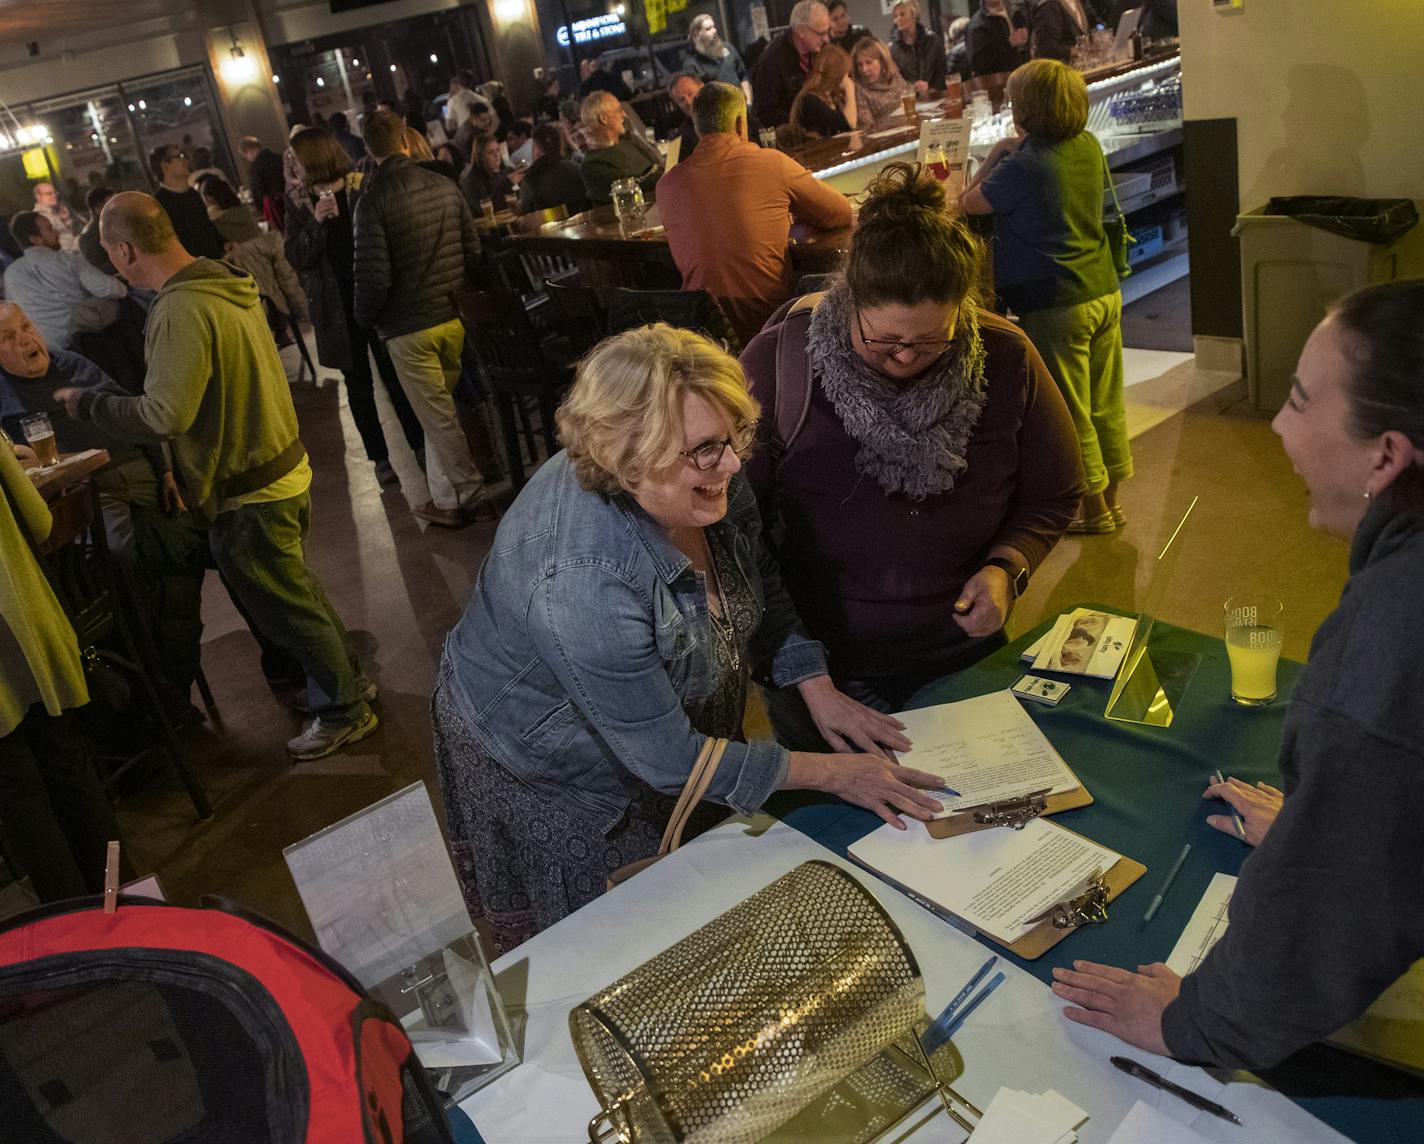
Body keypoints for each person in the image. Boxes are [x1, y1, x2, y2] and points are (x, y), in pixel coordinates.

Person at [433, 322, 942, 951]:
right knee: (620, 943)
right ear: (626, 460)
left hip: (653, 741)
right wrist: (836, 774)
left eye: (733, 438)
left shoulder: (705, 478)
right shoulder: (583, 584)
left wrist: (815, 683)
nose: (730, 463)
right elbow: (671, 760)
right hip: (552, 765)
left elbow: (754, 581)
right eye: (703, 449)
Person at [1052, 279, 1424, 1071]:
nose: (1279, 427)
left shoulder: (1391, 648)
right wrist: (1317, 820)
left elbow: (1332, 912)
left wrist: (1194, 1023)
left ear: (1386, 455)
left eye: (1298, 398)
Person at [740, 162, 1083, 729]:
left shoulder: (1006, 357)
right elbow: (732, 525)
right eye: (883, 341)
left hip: (962, 658)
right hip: (822, 672)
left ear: (963, 311)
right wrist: (801, 669)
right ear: (849, 299)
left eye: (929, 343)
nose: (904, 357)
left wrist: (1008, 568)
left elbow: (1055, 492)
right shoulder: (782, 363)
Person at [52, 192, 378, 761]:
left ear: (125, 249)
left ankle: (345, 711)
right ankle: (348, 685)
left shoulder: (180, 307)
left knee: (289, 610)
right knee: (298, 597)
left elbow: (163, 414)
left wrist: (89, 404)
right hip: (280, 465)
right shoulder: (224, 280)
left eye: (109, 253)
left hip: (247, 487)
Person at [961, 59, 1131, 532]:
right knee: (1105, 401)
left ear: (1027, 108)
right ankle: (1112, 501)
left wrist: (996, 151)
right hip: (1103, 289)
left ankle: (1091, 511)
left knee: (1071, 410)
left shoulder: (1024, 165)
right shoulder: (1087, 145)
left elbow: (968, 201)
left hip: (1056, 302)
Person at [0, 437, 128, 902]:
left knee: (19, 798)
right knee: (71, 768)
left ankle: (77, 935)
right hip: (28, 629)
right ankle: (124, 902)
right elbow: (39, 521)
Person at [353, 109, 489, 528]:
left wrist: (366, 319)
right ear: (406, 141)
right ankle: (446, 500)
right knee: (436, 414)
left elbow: (373, 278)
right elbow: (473, 252)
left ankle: (473, 496)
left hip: (408, 327)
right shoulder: (443, 184)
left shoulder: (371, 201)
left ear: (368, 148)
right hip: (450, 316)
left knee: (439, 418)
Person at [659, 83, 853, 347]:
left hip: (703, 339)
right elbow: (840, 213)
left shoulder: (668, 185)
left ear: (697, 126)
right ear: (741, 123)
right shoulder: (771, 164)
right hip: (771, 328)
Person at [285, 126, 424, 491]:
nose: (292, 164)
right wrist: (315, 223)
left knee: (396, 376)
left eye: (297, 157)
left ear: (312, 157)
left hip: (375, 294)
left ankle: (420, 447)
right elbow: (296, 257)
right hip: (335, 306)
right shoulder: (298, 201)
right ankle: (380, 459)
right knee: (358, 385)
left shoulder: (362, 183)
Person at [198, 176, 309, 343]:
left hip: (252, 285)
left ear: (209, 198)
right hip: (272, 275)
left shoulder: (215, 221)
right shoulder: (244, 212)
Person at [3, 211, 127, 351]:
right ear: (36, 240)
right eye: (50, 228)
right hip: (90, 342)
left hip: (53, 354)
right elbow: (113, 290)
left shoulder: (11, 274)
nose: (57, 232)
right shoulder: (67, 259)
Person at [751, 1, 832, 129]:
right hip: (790, 138)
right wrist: (804, 119)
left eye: (828, 32)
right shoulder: (771, 60)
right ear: (801, 31)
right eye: (821, 33)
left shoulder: (820, 50)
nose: (827, 39)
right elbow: (764, 113)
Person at [578, 92, 663, 206]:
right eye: (618, 110)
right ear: (604, 118)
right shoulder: (592, 165)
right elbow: (630, 187)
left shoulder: (629, 142)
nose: (624, 115)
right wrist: (666, 176)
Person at [149, 144, 224, 258]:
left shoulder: (193, 194)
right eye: (179, 156)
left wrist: (225, 243)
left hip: (215, 263)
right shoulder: (159, 203)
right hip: (194, 270)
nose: (186, 160)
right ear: (165, 166)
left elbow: (206, 225)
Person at [516, 123, 589, 216]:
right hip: (584, 226)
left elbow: (525, 216)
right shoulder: (577, 169)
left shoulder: (531, 179)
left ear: (537, 149)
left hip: (549, 229)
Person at [788, 44, 857, 138]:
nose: (847, 76)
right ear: (838, 74)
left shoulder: (833, 96)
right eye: (846, 72)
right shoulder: (810, 100)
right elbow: (849, 124)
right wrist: (850, 89)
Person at [682, 13, 752, 101]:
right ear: (696, 34)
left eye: (714, 27)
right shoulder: (692, 64)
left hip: (742, 106)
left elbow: (743, 75)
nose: (714, 30)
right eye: (708, 29)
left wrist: (749, 100)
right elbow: (698, 97)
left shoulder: (728, 48)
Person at [851, 37, 914, 128]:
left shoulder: (895, 76)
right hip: (886, 138)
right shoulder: (859, 89)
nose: (864, 69)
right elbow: (867, 127)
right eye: (859, 65)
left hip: (908, 128)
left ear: (882, 61)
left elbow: (909, 97)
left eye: (869, 62)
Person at [888, 0, 948, 95]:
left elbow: (941, 69)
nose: (898, 19)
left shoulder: (932, 40)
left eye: (902, 14)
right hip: (911, 98)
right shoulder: (893, 48)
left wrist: (934, 89)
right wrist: (913, 87)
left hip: (936, 94)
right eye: (895, 16)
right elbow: (895, 79)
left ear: (914, 14)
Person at [968, 0, 1031, 77]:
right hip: (999, 81)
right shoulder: (977, 25)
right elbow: (978, 63)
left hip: (1024, 73)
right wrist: (1009, 43)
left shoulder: (1016, 10)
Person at [460, 134, 516, 213]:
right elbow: (488, 207)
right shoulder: (473, 181)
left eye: (497, 150)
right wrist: (508, 183)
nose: (496, 155)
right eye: (490, 152)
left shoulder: (508, 170)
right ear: (480, 157)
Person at [78, 185, 119, 275]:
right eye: (113, 205)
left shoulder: (113, 225)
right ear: (99, 209)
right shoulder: (89, 237)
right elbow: (99, 269)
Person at [30, 181, 82, 252]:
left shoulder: (54, 211)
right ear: (38, 196)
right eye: (49, 193)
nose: (54, 195)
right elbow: (59, 242)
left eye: (55, 193)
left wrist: (67, 221)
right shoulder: (41, 217)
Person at [668, 72, 706, 160]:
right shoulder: (677, 140)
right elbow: (671, 169)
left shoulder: (733, 113)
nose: (688, 102)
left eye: (690, 93)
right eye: (681, 100)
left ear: (703, 87)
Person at [445, 70, 480, 137]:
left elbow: (449, 126)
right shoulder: (476, 96)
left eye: (451, 88)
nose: (450, 90)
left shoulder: (454, 101)